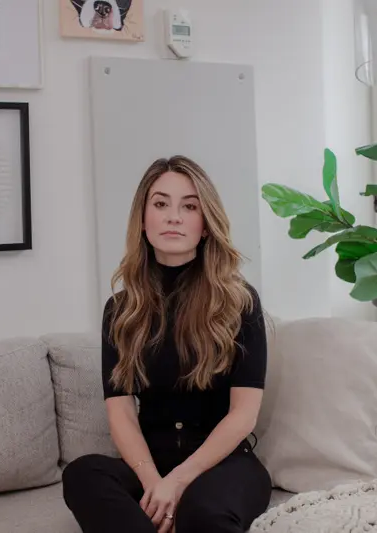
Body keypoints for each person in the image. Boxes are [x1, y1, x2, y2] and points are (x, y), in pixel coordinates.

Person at [63, 155, 272, 533]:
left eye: (189, 206)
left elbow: (243, 415)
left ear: (205, 225)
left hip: (222, 465)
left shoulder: (239, 302)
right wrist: (154, 485)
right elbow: (122, 413)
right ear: (143, 221)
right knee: (83, 474)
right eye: (161, 204)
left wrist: (178, 481)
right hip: (150, 466)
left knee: (202, 514)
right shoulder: (120, 311)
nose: (174, 216)